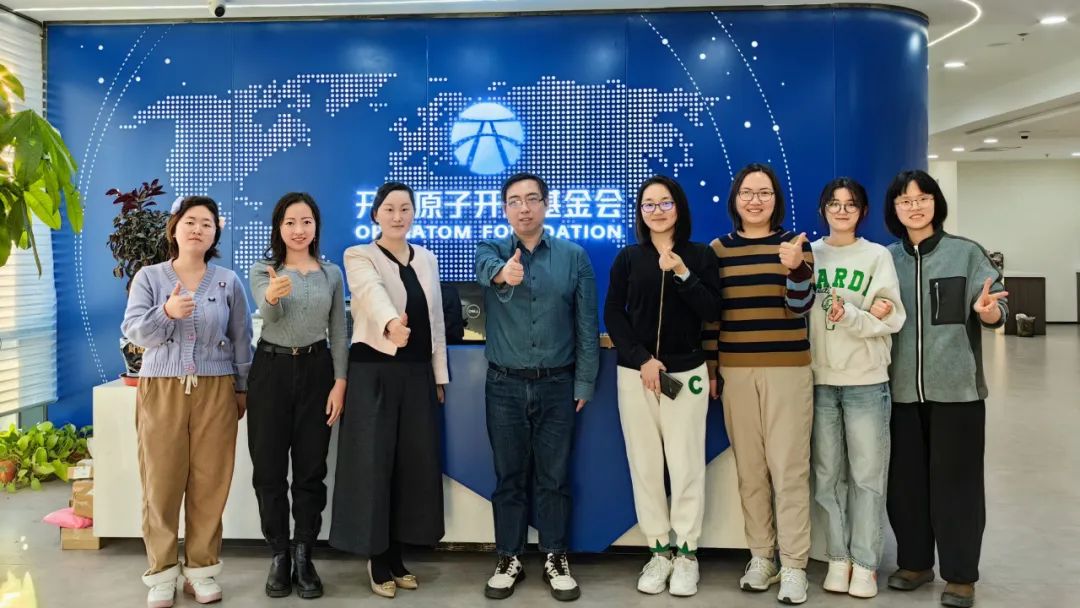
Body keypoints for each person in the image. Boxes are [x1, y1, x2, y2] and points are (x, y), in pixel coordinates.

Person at [882, 169, 1007, 608]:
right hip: (900, 393)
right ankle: (915, 563)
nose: (914, 207)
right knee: (906, 485)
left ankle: (960, 574)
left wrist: (988, 312)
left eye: (922, 198)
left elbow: (995, 309)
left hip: (958, 394)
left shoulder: (966, 253)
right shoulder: (886, 259)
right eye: (905, 200)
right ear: (894, 209)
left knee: (958, 486)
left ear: (936, 202)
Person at [121, 195, 252, 608]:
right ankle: (161, 573)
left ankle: (201, 570)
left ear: (215, 234)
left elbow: (242, 338)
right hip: (162, 388)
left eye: (207, 223)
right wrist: (167, 312)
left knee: (210, 483)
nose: (198, 229)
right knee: (160, 482)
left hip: (217, 389)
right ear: (174, 228)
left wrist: (242, 388)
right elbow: (134, 331)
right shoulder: (149, 277)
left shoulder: (228, 281)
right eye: (191, 221)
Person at [475, 172, 599, 602]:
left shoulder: (574, 257)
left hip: (558, 385)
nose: (523, 208)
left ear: (546, 205)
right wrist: (503, 274)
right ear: (505, 209)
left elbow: (586, 326)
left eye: (532, 199)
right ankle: (508, 557)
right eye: (514, 201)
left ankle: (554, 556)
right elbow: (486, 270)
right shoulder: (491, 249)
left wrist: (584, 382)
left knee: (554, 477)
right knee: (508, 477)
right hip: (503, 385)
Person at [702, 162, 815, 604]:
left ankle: (794, 565)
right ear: (735, 199)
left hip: (788, 370)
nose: (755, 200)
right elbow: (712, 318)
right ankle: (762, 556)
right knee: (750, 470)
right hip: (736, 371)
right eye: (747, 192)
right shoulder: (718, 250)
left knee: (789, 470)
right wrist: (713, 368)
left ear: (776, 200)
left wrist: (797, 269)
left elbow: (801, 308)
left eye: (764, 193)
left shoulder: (795, 245)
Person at [330, 182, 449, 599]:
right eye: (389, 209)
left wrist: (439, 376)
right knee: (373, 466)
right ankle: (377, 557)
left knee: (411, 467)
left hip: (416, 375)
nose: (398, 216)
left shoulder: (428, 258)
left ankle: (397, 555)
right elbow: (370, 293)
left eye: (405, 208)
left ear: (414, 213)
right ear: (375, 214)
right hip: (374, 372)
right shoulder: (359, 254)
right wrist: (391, 325)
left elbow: (435, 321)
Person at [604, 175, 721, 597]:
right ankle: (658, 550)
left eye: (665, 203)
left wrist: (683, 273)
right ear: (640, 212)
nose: (657, 211)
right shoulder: (628, 258)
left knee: (686, 465)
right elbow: (613, 313)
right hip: (637, 375)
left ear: (679, 207)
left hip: (685, 375)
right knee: (645, 465)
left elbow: (712, 309)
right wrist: (642, 359)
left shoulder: (700, 255)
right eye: (648, 204)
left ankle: (687, 553)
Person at [807, 178, 906, 599]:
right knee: (827, 477)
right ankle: (838, 557)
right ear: (823, 210)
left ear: (863, 211)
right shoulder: (810, 254)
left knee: (867, 477)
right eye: (834, 203)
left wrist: (852, 314)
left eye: (851, 204)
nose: (842, 210)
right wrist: (863, 311)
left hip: (866, 381)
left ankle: (865, 564)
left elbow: (892, 319)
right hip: (819, 381)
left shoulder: (877, 255)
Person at [248, 192, 348, 599]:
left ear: (316, 226)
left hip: (317, 370)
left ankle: (304, 552)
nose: (298, 229)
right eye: (290, 222)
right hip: (271, 370)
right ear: (279, 227)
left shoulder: (331, 273)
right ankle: (279, 553)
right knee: (268, 470)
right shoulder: (263, 270)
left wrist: (340, 382)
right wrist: (273, 295)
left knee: (311, 469)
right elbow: (269, 315)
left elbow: (339, 331)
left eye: (306, 221)